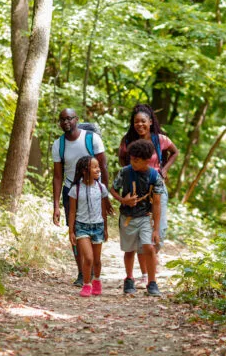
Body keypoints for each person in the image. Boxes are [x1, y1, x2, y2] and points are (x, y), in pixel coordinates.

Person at [118, 104, 179, 287]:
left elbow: (175, 152)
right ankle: (145, 274)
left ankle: (151, 257)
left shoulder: (160, 139)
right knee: (139, 229)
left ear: (150, 122)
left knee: (159, 230)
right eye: (136, 122)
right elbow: (123, 162)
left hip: (157, 187)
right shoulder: (127, 140)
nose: (140, 125)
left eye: (143, 121)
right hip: (136, 190)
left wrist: (165, 169)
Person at [52, 108, 112, 286]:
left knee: (95, 227)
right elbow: (57, 176)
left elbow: (104, 167)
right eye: (62, 119)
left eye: (69, 118)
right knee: (76, 230)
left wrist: (106, 196)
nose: (66, 122)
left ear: (76, 119)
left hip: (94, 190)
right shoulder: (58, 144)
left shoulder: (92, 139)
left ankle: (93, 268)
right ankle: (81, 272)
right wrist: (56, 205)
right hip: (72, 190)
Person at [110, 139, 165, 297]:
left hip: (145, 217)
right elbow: (113, 190)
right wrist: (123, 200)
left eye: (136, 160)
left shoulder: (155, 176)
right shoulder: (125, 172)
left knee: (148, 247)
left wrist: (156, 228)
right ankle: (129, 278)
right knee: (129, 250)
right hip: (128, 217)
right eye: (131, 159)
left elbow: (157, 203)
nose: (133, 162)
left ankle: (152, 282)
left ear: (147, 160)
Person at [68, 156, 110, 297]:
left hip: (98, 226)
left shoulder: (100, 187)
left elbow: (103, 209)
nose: (98, 169)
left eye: (98, 166)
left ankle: (97, 280)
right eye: (94, 167)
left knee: (97, 260)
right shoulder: (76, 189)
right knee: (89, 258)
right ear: (85, 170)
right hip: (82, 226)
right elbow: (72, 211)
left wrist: (105, 228)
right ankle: (87, 284)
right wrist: (71, 231)